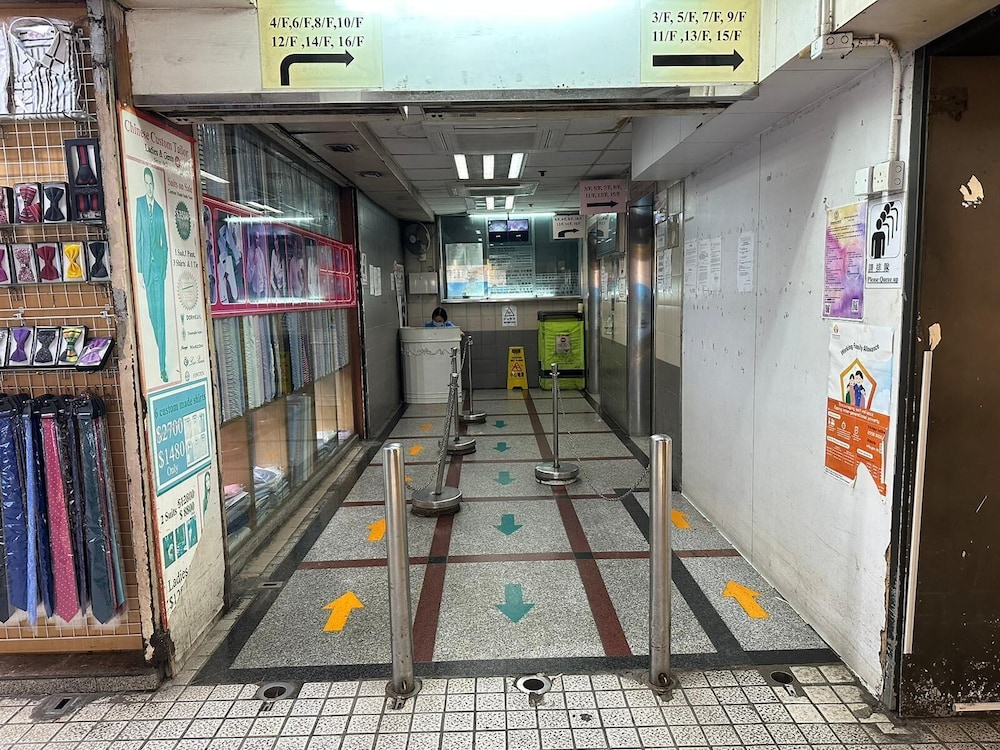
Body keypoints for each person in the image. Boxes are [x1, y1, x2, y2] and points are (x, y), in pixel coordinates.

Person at [134, 167, 170, 382]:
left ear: (154, 186)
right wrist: (139, 270)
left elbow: (164, 243)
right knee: (151, 314)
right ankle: (159, 350)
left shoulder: (159, 211)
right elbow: (138, 238)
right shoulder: (139, 204)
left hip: (158, 270)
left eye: (151, 184)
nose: (149, 187)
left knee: (161, 317)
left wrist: (163, 268)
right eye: (146, 183)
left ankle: (162, 366)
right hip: (147, 269)